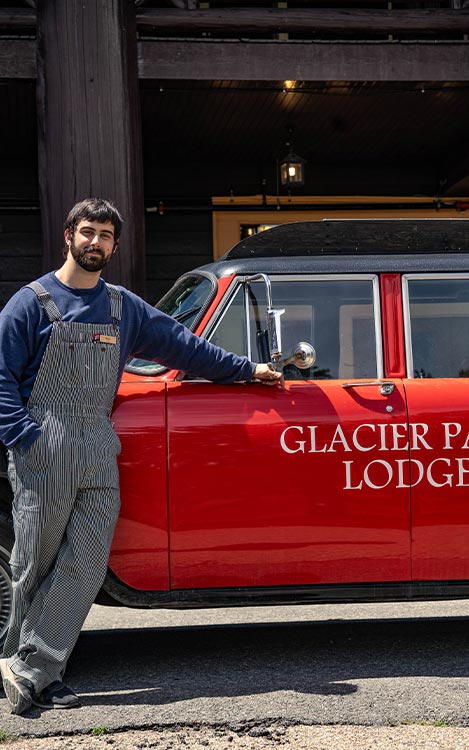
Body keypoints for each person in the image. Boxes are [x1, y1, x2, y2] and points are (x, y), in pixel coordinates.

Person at [0, 198, 281, 715]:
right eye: (87, 232)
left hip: (98, 450)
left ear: (114, 244)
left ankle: (38, 668)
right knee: (33, 564)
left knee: (84, 566)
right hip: (45, 449)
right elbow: (1, 379)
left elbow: (184, 346)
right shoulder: (30, 303)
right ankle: (14, 664)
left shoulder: (122, 307)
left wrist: (247, 370)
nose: (95, 243)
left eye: (105, 236)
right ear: (68, 235)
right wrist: (24, 436)